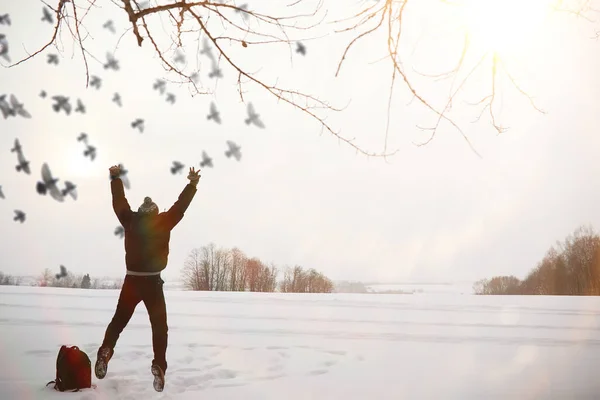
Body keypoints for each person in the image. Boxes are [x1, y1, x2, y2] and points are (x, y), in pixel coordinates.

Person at [95, 164, 200, 392]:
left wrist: (115, 177)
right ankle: (159, 365)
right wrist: (191, 184)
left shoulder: (130, 221)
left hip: (132, 281)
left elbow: (119, 202)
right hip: (153, 283)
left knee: (118, 322)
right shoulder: (163, 222)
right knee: (159, 327)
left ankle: (106, 350)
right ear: (154, 212)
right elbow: (180, 207)